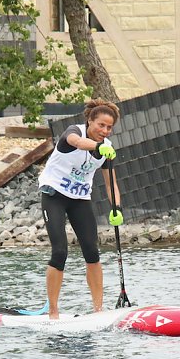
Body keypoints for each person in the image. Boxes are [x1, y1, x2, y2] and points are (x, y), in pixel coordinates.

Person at [38, 98, 124, 319]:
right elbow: (76, 142)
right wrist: (98, 146)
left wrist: (116, 208)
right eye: (100, 125)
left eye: (109, 127)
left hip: (79, 199)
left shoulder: (107, 149)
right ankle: (53, 312)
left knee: (92, 252)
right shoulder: (74, 131)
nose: (104, 130)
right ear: (90, 121)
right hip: (54, 194)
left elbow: (110, 183)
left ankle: (98, 310)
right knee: (60, 252)